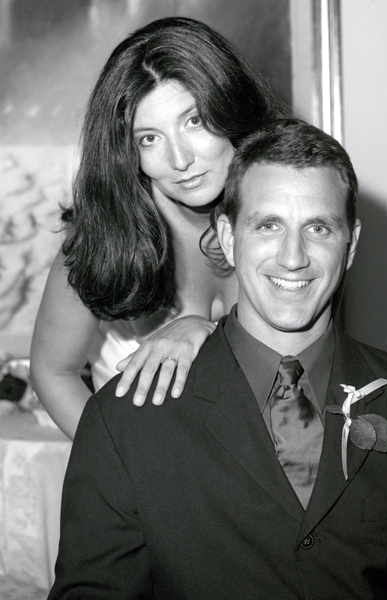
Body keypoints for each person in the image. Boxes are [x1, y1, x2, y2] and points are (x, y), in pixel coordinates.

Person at [48, 119, 387, 599]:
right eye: (268, 225)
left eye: (317, 228)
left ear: (351, 244)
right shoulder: (123, 422)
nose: (293, 257)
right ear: (228, 238)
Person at [30, 17, 287, 439]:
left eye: (195, 121)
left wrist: (207, 332)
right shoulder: (106, 236)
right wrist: (123, 468)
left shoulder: (290, 217)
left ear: (231, 108)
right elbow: (52, 371)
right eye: (149, 138)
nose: (180, 159)